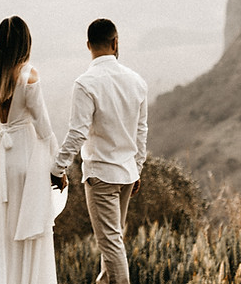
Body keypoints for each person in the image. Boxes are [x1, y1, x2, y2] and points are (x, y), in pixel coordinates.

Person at [51, 18, 148, 284]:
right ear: (115, 42)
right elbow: (142, 130)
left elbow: (78, 132)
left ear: (88, 46)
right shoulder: (137, 81)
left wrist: (57, 168)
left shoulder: (85, 83)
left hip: (101, 176)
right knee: (112, 242)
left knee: (112, 244)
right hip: (127, 175)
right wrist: (137, 167)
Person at [0, 16, 60, 284]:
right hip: (27, 156)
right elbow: (44, 127)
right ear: (26, 42)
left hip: (2, 159)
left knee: (4, 230)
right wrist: (59, 165)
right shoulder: (29, 75)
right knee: (29, 228)